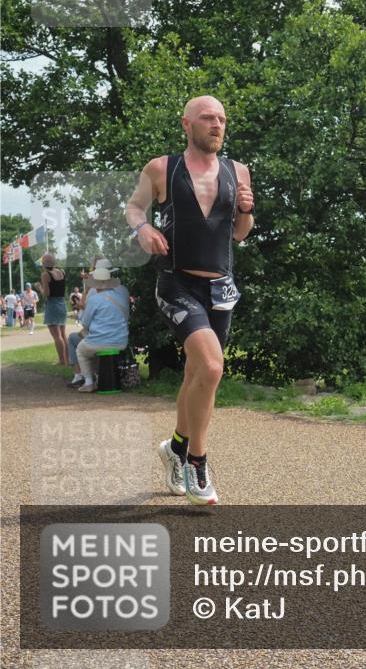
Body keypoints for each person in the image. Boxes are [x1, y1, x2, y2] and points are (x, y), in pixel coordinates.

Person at [126, 95, 254, 506]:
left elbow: (239, 234)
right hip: (177, 283)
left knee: (197, 374)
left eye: (221, 118)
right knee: (213, 367)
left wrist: (247, 211)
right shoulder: (162, 168)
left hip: (221, 288)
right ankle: (197, 462)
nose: (216, 124)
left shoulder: (239, 171)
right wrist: (142, 229)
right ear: (187, 124)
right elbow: (133, 207)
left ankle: (175, 448)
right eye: (207, 118)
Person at [66, 264, 129, 392]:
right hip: (121, 341)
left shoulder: (94, 299)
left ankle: (88, 382)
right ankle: (101, 377)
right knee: (91, 347)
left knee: (81, 350)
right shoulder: (120, 296)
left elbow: (85, 323)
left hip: (100, 341)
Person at [39, 253, 70, 365]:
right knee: (63, 334)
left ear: (43, 264)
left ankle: (62, 361)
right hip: (62, 304)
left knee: (57, 336)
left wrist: (40, 288)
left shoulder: (45, 275)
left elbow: (46, 294)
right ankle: (68, 359)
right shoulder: (62, 271)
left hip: (52, 305)